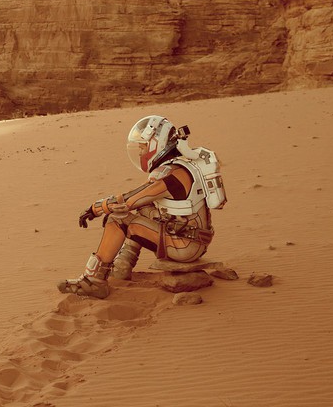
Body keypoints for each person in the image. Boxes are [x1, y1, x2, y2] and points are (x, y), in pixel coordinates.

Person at [58, 115, 227, 299]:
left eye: (142, 147)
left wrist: (96, 208)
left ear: (156, 144)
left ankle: (93, 281)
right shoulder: (179, 168)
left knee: (118, 219)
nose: (140, 153)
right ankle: (122, 266)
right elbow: (139, 198)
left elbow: (129, 201)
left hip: (185, 247)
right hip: (192, 240)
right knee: (144, 211)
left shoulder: (172, 175)